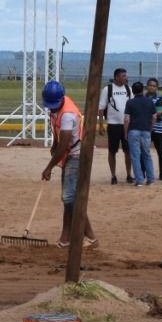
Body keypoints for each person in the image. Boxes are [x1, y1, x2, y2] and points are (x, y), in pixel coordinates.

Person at [40, 80, 97, 248]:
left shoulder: (67, 115)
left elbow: (65, 142)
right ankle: (66, 238)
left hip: (78, 154)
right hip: (69, 153)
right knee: (69, 199)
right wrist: (54, 144)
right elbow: (57, 134)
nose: (51, 108)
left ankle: (90, 237)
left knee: (70, 199)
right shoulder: (55, 109)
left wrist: (49, 167)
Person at [97, 68, 133, 184]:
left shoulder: (129, 89)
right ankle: (113, 175)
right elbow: (101, 108)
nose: (125, 78)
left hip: (127, 125)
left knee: (128, 151)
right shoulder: (107, 89)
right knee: (112, 151)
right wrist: (101, 125)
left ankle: (129, 174)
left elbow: (133, 106)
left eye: (125, 76)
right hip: (113, 125)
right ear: (116, 77)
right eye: (123, 76)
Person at [122, 81, 157, 186]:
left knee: (135, 156)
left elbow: (126, 119)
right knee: (147, 155)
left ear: (133, 91)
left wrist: (125, 132)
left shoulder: (130, 102)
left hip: (133, 130)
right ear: (143, 89)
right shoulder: (149, 101)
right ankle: (151, 179)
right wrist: (150, 128)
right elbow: (154, 117)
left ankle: (140, 180)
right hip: (146, 130)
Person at [146, 78, 162, 183]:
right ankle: (143, 172)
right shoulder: (143, 98)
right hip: (146, 129)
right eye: (150, 85)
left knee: (161, 152)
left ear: (157, 87)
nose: (152, 87)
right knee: (144, 152)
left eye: (154, 86)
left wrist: (161, 113)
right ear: (147, 86)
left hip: (159, 129)